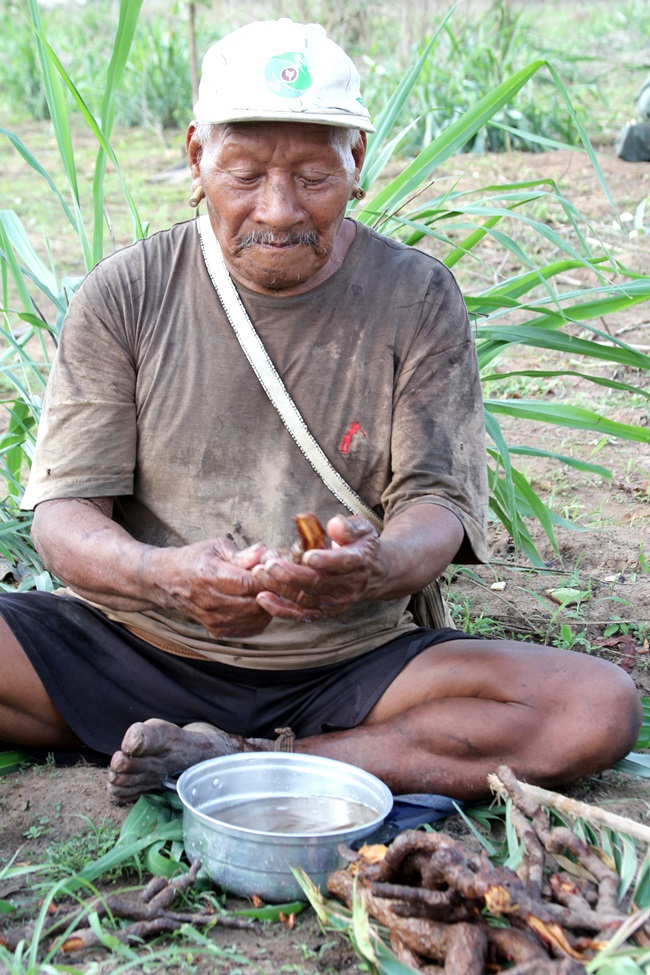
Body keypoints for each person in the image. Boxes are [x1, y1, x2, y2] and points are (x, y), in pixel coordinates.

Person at [0, 19, 640, 805]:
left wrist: (375, 568)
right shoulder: (127, 292)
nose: (277, 211)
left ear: (357, 161)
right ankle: (282, 753)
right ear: (197, 158)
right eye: (243, 174)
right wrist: (163, 577)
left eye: (311, 175)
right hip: (135, 646)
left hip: (348, 668)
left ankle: (239, 755)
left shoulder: (416, 297)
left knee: (594, 706)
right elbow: (63, 519)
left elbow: (434, 506)